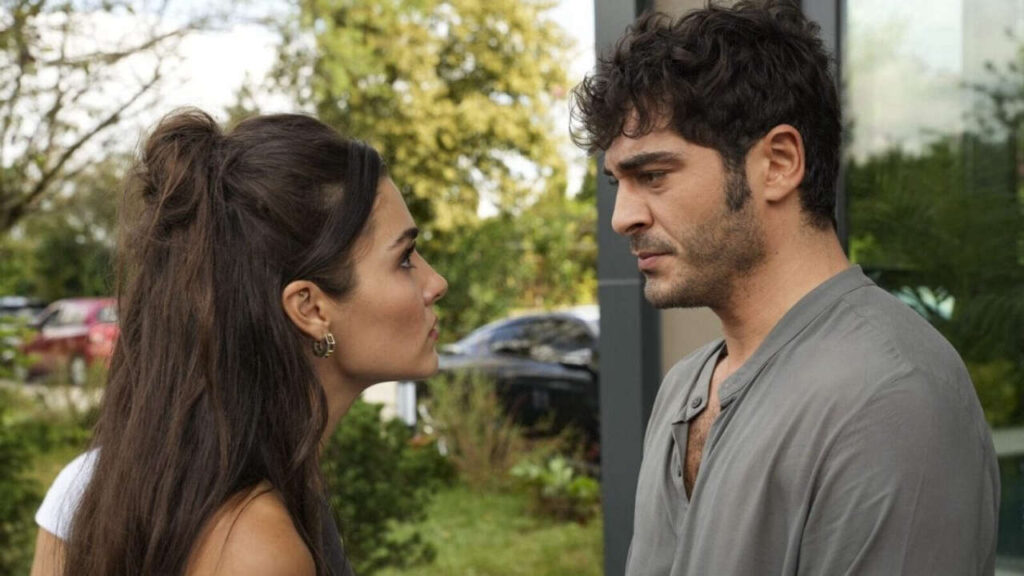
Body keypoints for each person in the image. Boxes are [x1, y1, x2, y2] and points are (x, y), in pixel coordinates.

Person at [571, 1, 999, 575]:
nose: (622, 217)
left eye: (653, 176)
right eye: (617, 183)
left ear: (778, 163)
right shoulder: (683, 387)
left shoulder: (891, 396)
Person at [28, 108, 448, 576]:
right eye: (405, 258)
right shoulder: (258, 548)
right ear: (310, 308)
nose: (436, 283)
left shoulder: (95, 483)